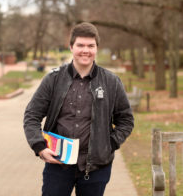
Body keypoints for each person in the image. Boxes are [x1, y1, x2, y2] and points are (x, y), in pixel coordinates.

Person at [23, 22, 134, 196]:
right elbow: (32, 115)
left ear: (97, 48)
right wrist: (39, 146)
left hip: (96, 168)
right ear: (71, 47)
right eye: (80, 45)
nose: (85, 50)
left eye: (91, 46)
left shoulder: (111, 82)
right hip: (57, 165)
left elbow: (126, 120)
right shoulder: (53, 79)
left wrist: (109, 144)